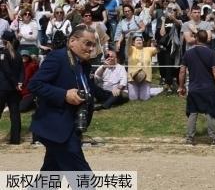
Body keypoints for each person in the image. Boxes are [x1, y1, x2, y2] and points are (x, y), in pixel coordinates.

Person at [29, 26, 110, 171]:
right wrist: (64, 94)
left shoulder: (83, 65)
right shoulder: (58, 57)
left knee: (49, 178)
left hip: (69, 129)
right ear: (72, 41)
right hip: (57, 129)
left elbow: (89, 88)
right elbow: (35, 85)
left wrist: (116, 96)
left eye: (93, 45)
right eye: (87, 43)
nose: (91, 49)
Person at [178, 29, 215, 145]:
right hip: (209, 88)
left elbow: (182, 71)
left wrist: (181, 86)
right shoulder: (210, 53)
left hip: (193, 88)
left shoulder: (188, 53)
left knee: (193, 113)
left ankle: (189, 138)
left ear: (196, 39)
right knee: (209, 113)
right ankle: (214, 138)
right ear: (206, 39)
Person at [1, 29, 23, 144]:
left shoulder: (4, 54)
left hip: (3, 87)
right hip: (14, 89)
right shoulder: (18, 54)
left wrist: (15, 83)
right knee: (14, 114)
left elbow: (7, 71)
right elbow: (21, 72)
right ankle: (15, 139)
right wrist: (19, 83)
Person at [126, 34, 158, 101]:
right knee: (133, 99)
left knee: (145, 98)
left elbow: (157, 50)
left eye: (140, 40)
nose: (139, 41)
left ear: (143, 41)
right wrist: (129, 37)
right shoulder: (131, 49)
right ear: (133, 42)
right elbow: (128, 45)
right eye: (137, 40)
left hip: (145, 78)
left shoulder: (148, 49)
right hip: (132, 78)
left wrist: (155, 43)